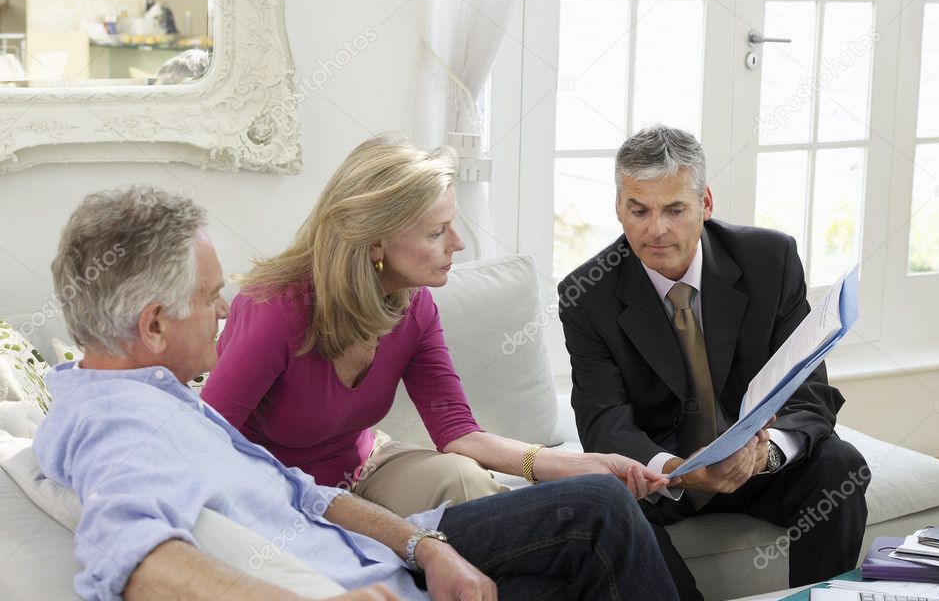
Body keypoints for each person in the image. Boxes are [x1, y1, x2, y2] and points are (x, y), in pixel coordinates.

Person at [34, 185, 727, 601]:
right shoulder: (116, 424)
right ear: (154, 324)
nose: (223, 311)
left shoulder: (143, 395)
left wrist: (425, 544)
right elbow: (129, 551)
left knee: (598, 511)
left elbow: (302, 494)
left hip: (392, 565)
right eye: (210, 298)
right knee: (602, 531)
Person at [202, 135, 664, 518]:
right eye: (436, 231)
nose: (458, 243)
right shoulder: (274, 310)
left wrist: (578, 464)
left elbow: (458, 433)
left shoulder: (415, 306)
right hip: (278, 488)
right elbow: (202, 437)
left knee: (466, 480)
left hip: (365, 468)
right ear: (375, 239)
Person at [558, 125, 869, 601]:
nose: (656, 229)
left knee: (839, 463)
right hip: (664, 478)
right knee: (607, 503)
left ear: (705, 203)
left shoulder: (771, 259)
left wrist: (763, 456)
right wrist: (679, 471)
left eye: (675, 209)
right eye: (639, 210)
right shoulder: (586, 295)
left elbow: (810, 390)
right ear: (619, 209)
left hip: (754, 464)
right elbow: (603, 424)